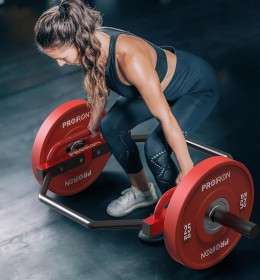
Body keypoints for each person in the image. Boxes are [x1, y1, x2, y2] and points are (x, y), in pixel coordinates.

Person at [34, 0, 220, 241]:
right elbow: (100, 87)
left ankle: (178, 212)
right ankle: (143, 191)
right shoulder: (90, 45)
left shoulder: (130, 59)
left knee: (156, 147)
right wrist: (91, 127)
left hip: (195, 89)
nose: (60, 64)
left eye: (62, 56)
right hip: (158, 89)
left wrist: (187, 169)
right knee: (110, 126)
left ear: (77, 41)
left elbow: (165, 117)